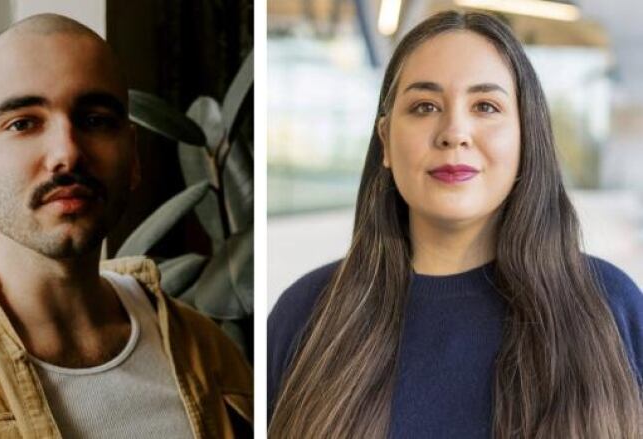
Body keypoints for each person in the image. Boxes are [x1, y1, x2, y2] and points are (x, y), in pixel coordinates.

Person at [0, 14, 252, 439]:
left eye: (95, 120)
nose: (67, 153)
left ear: (133, 157)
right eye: (23, 123)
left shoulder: (208, 350)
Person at [268, 10, 643, 439]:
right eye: (424, 106)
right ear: (386, 140)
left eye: (486, 106)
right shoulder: (306, 315)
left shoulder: (610, 307)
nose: (454, 132)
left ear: (526, 136)